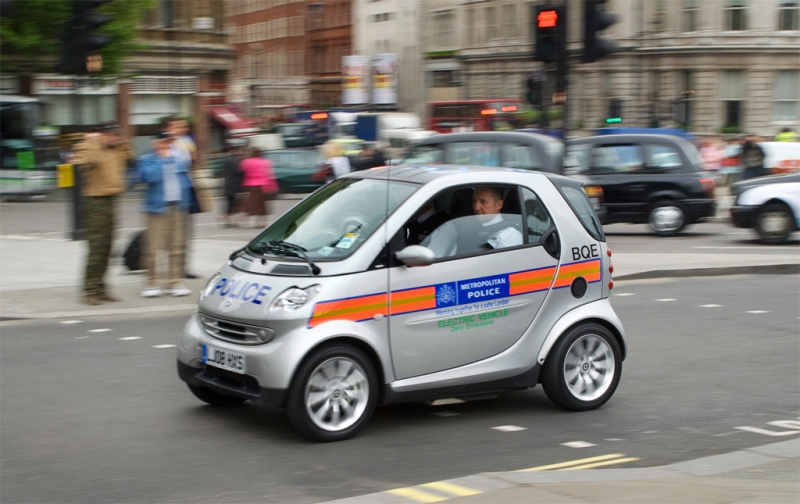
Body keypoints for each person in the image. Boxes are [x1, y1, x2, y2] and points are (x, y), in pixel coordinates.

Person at [71, 121, 134, 305]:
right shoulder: (89, 148)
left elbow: (129, 155)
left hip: (111, 199)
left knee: (108, 248)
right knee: (96, 249)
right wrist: (92, 141)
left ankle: (101, 288)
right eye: (111, 134)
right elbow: (84, 161)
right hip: (95, 201)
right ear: (100, 134)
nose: (114, 137)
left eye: (115, 134)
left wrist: (121, 141)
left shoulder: (115, 149)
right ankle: (89, 291)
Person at [137, 131, 193, 298]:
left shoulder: (179, 157)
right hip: (157, 208)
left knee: (177, 246)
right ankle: (151, 282)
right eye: (163, 142)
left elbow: (186, 180)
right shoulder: (147, 159)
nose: (166, 145)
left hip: (178, 207)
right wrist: (162, 159)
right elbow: (148, 177)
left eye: (169, 142)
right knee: (153, 248)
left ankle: (175, 282)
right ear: (155, 144)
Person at [421, 186, 522, 258]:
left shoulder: (509, 235)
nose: (476, 207)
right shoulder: (467, 229)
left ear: (499, 205)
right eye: (474, 201)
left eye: (483, 202)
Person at [239, 146, 277, 229]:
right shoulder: (266, 162)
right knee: (263, 204)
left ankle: (252, 222)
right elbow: (269, 174)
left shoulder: (246, 162)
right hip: (263, 184)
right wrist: (272, 186)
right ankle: (265, 221)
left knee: (252, 203)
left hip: (249, 184)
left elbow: (242, 171)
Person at [221, 139, 246, 228]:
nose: (240, 150)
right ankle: (229, 220)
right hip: (233, 185)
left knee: (230, 203)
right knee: (231, 203)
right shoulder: (233, 160)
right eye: (239, 149)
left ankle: (229, 220)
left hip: (228, 184)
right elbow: (238, 171)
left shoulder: (227, 159)